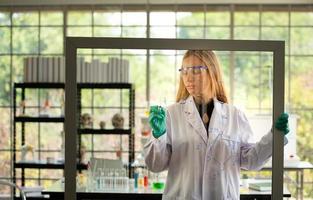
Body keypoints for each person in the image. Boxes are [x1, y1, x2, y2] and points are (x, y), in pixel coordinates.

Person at [144, 50, 289, 200]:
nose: (188, 77)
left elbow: (251, 161)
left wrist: (275, 136)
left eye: (195, 70)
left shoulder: (235, 115)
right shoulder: (171, 114)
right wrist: (158, 135)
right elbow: (155, 165)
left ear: (212, 71)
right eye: (184, 71)